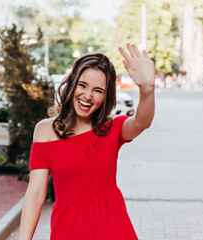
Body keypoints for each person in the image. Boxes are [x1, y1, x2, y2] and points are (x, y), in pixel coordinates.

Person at [20, 43, 155, 240]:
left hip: (114, 230)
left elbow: (142, 122)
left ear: (105, 96)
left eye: (98, 90)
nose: (88, 96)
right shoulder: (44, 131)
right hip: (68, 231)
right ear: (72, 83)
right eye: (82, 85)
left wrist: (147, 89)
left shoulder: (112, 129)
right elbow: (36, 193)